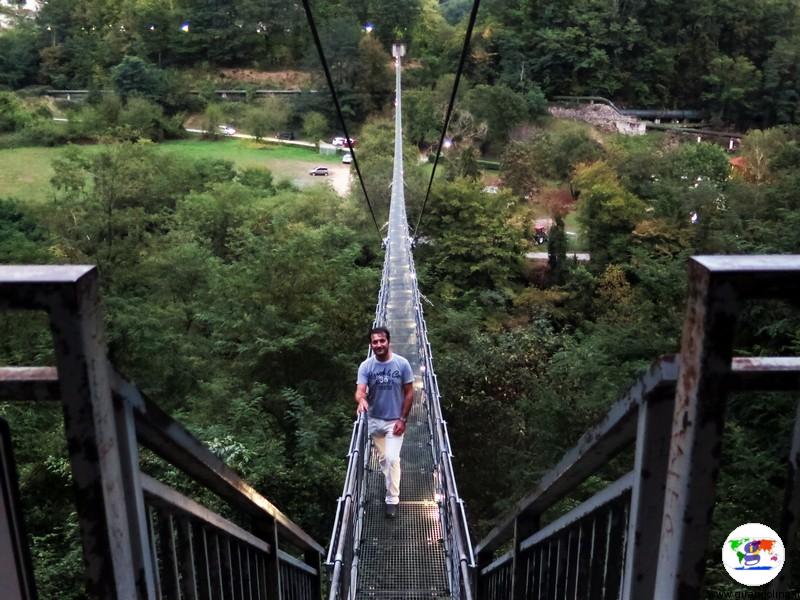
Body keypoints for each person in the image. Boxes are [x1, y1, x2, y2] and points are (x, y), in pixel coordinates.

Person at [355, 327, 414, 518]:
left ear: (388, 342)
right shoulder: (366, 366)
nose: (379, 345)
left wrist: (403, 419)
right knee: (383, 459)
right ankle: (390, 481)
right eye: (375, 342)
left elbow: (410, 392)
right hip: (374, 421)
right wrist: (361, 399)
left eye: (382, 341)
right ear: (371, 345)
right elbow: (360, 390)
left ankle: (392, 499)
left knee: (391, 458)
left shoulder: (402, 364)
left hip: (394, 421)